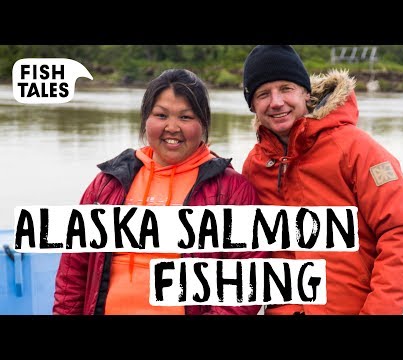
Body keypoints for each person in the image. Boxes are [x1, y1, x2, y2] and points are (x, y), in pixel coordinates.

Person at [53, 68, 269, 315]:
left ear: (203, 124)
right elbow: (73, 273)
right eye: (161, 115)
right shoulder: (108, 183)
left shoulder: (232, 191)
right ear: (146, 119)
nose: (172, 127)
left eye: (186, 117)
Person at [241, 45, 403, 315]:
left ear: (306, 92)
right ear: (252, 105)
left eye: (286, 88)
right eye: (262, 94)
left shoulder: (357, 149)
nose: (276, 102)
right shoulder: (254, 165)